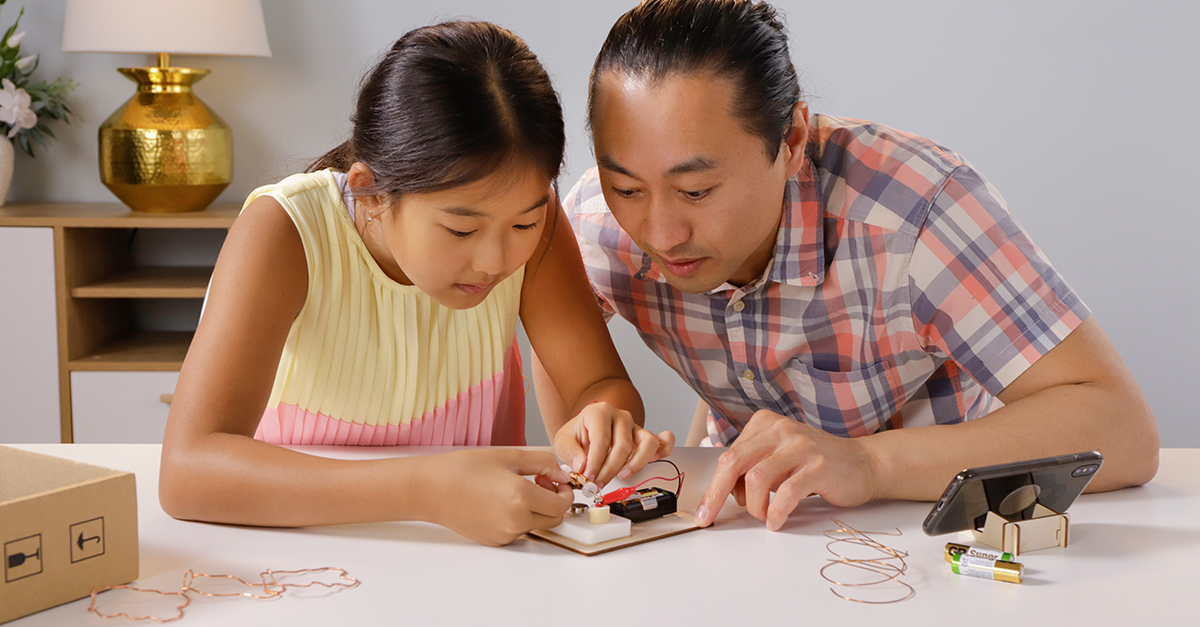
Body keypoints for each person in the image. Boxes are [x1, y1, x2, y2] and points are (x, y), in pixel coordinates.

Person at [534, 0, 1159, 532]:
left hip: (929, 526)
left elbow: (1123, 429)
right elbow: (557, 342)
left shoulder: (916, 210)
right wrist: (587, 442)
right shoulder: (596, 220)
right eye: (628, 187)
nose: (660, 232)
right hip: (745, 530)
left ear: (793, 141)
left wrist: (869, 464)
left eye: (696, 191)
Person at [159, 21, 673, 547]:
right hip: (301, 554)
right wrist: (426, 491)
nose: (497, 260)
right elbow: (189, 469)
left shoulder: (539, 231)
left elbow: (597, 386)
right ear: (371, 193)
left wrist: (599, 421)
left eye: (523, 222)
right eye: (461, 228)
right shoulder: (285, 231)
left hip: (482, 563)